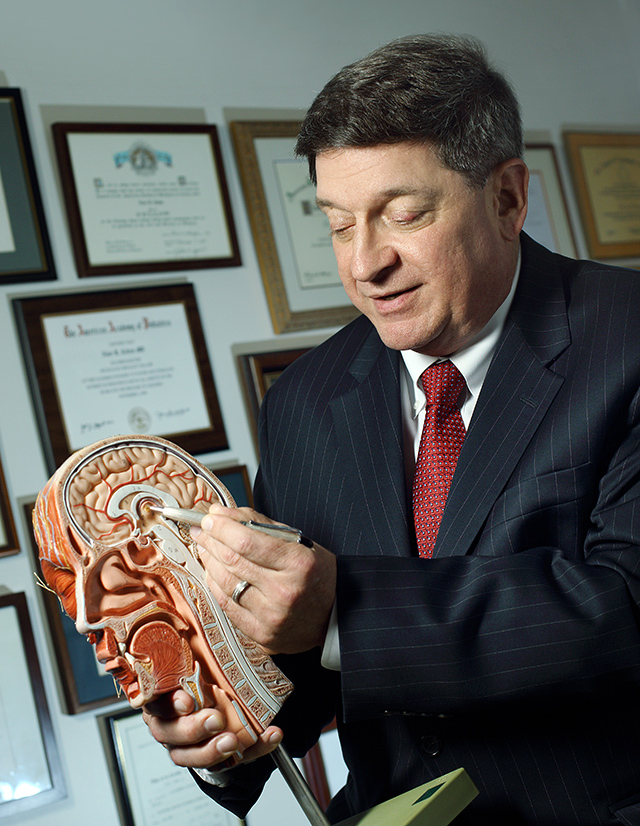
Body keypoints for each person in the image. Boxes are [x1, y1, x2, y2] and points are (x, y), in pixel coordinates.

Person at [142, 34, 640, 825]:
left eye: (402, 215)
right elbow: (302, 668)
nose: (365, 263)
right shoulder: (303, 400)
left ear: (509, 198)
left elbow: (626, 608)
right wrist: (229, 727)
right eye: (338, 225)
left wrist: (344, 607)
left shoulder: (629, 338)